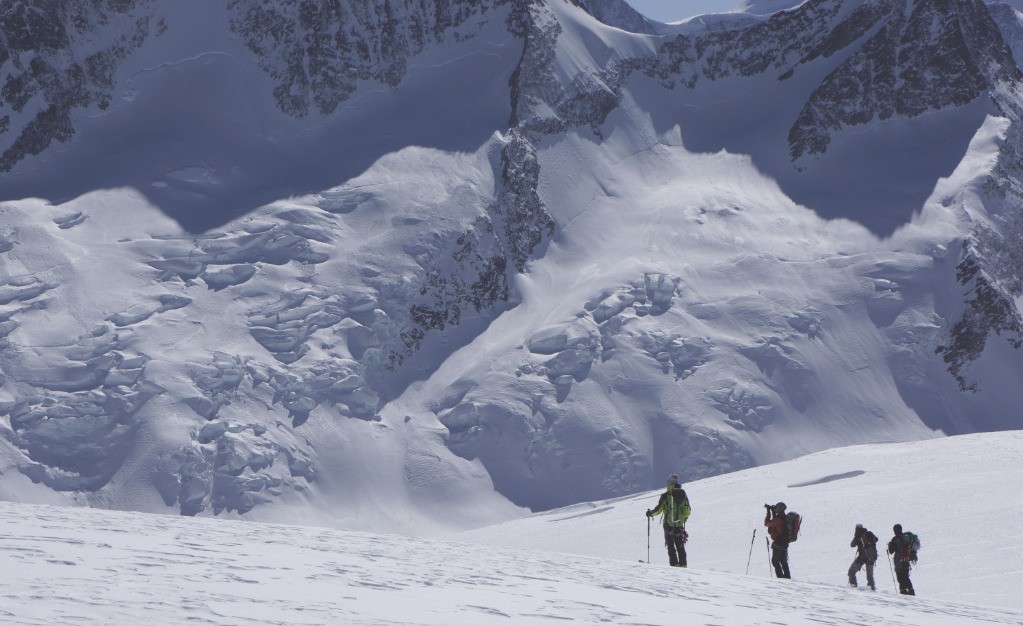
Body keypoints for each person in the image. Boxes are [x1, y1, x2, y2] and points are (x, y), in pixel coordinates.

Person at [646, 474, 691, 567]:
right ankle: (683, 564)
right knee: (680, 546)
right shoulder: (683, 494)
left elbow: (659, 510)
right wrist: (683, 518)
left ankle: (674, 564)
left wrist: (650, 513)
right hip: (679, 524)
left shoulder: (666, 495)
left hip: (668, 524)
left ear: (669, 482)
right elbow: (688, 510)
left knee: (670, 546)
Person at [887, 524, 917, 595]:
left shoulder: (895, 539)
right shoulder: (906, 537)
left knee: (900, 579)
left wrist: (890, 545)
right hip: (906, 560)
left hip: (898, 561)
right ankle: (910, 593)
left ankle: (904, 594)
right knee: (905, 577)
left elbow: (891, 551)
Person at [764, 502, 791, 578]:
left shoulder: (778, 519)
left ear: (779, 509)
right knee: (783, 561)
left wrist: (768, 513)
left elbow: (766, 523)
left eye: (776, 508)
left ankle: (781, 579)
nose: (775, 509)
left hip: (778, 543)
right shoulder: (784, 517)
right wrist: (773, 513)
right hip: (785, 542)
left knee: (775, 561)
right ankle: (787, 578)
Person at [848, 524, 878, 590]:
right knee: (870, 576)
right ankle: (871, 589)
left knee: (851, 571)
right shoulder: (869, 534)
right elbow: (876, 539)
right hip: (871, 557)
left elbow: (852, 545)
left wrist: (856, 537)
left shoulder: (858, 536)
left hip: (862, 558)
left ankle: (853, 586)